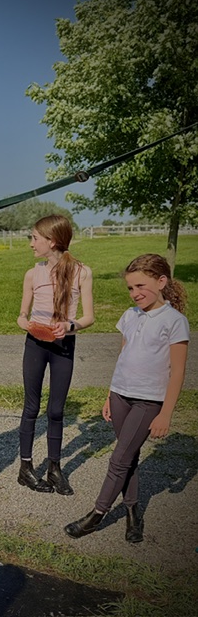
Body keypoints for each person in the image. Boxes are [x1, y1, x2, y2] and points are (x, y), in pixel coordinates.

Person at [65, 253, 190, 542]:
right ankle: (133, 512)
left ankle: (96, 515)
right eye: (131, 288)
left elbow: (178, 372)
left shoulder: (175, 321)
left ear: (161, 282)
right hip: (121, 396)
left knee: (119, 459)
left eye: (141, 286)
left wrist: (165, 413)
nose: (135, 293)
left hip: (148, 401)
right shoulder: (130, 315)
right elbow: (123, 358)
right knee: (128, 455)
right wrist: (110, 395)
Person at [16, 215, 94, 495]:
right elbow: (22, 312)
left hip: (64, 346)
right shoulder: (32, 274)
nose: (31, 243)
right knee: (31, 407)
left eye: (35, 238)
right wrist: (23, 320)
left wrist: (70, 326)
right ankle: (25, 468)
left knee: (57, 410)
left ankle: (54, 469)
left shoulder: (82, 272)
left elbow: (89, 317)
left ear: (51, 241)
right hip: (35, 345)